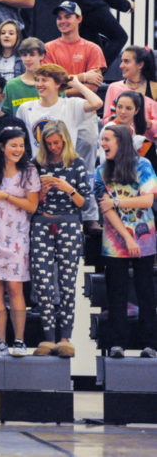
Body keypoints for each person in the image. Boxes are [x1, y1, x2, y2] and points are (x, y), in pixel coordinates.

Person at [95, 125, 157, 359]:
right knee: (116, 294)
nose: (103, 144)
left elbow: (147, 200)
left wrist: (118, 203)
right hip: (115, 241)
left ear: (120, 142)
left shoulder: (143, 165)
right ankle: (117, 344)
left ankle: (150, 344)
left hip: (145, 238)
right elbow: (105, 208)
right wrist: (126, 236)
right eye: (102, 140)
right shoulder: (101, 170)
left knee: (145, 293)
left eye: (107, 139)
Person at [30, 121, 88, 358]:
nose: (54, 147)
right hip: (42, 223)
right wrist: (41, 192)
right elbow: (31, 203)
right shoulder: (37, 164)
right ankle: (48, 336)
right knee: (42, 282)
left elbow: (84, 203)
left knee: (66, 282)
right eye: (49, 143)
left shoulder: (77, 164)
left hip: (69, 223)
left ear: (65, 140)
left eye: (57, 142)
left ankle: (65, 337)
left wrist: (68, 188)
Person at [0, 128, 40, 357]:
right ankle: (0, 341)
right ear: (2, 147)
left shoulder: (29, 171)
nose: (18, 149)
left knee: (15, 288)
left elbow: (32, 206)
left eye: (21, 145)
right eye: (13, 145)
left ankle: (19, 341)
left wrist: (5, 195)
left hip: (17, 236)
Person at [43, 0, 106, 92]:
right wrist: (83, 77)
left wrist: (61, 93)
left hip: (83, 105)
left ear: (79, 19)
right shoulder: (47, 48)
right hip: (55, 105)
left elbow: (93, 86)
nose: (63, 21)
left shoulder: (93, 49)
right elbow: (49, 82)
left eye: (67, 17)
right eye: (59, 18)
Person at [103, 46, 157, 140]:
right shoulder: (114, 88)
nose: (121, 66)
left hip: (147, 145)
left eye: (126, 61)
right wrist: (119, 118)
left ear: (140, 65)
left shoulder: (154, 88)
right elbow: (106, 121)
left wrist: (147, 123)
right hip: (120, 142)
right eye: (121, 61)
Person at [2, 37, 46, 116]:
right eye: (24, 55)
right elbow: (4, 114)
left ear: (42, 55)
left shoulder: (52, 83)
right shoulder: (11, 86)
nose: (27, 59)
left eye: (32, 55)